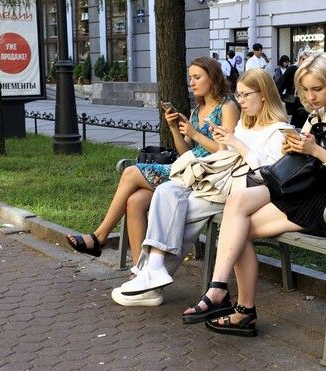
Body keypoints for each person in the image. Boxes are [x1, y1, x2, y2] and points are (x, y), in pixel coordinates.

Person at [180, 52, 326, 336]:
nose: (310, 96)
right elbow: (299, 158)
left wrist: (315, 151)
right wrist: (290, 149)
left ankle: (239, 308)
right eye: (305, 89)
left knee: (238, 230)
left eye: (317, 89)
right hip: (304, 187)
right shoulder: (316, 113)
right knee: (237, 209)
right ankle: (221, 291)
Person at [114, 69, 292, 307]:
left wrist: (235, 143)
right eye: (238, 95)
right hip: (217, 180)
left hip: (240, 190)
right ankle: (153, 269)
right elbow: (226, 157)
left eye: (245, 95)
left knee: (180, 213)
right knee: (166, 192)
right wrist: (224, 142)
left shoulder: (279, 130)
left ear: (264, 94)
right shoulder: (245, 124)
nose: (240, 101)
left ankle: (150, 283)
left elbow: (268, 174)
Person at [65, 57, 240, 265]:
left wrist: (195, 134)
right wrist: (174, 128)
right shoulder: (197, 110)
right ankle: (140, 269)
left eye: (197, 77)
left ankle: (99, 237)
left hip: (209, 176)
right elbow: (185, 152)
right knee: (135, 201)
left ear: (212, 78)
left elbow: (228, 150)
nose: (192, 83)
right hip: (187, 169)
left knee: (130, 172)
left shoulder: (227, 106)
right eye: (190, 78)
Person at [277, 50, 313, 128]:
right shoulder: (293, 69)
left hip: (305, 102)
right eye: (304, 59)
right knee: (297, 123)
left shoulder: (308, 71)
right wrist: (280, 99)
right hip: (295, 102)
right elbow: (280, 85)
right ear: (300, 59)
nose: (306, 62)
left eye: (308, 60)